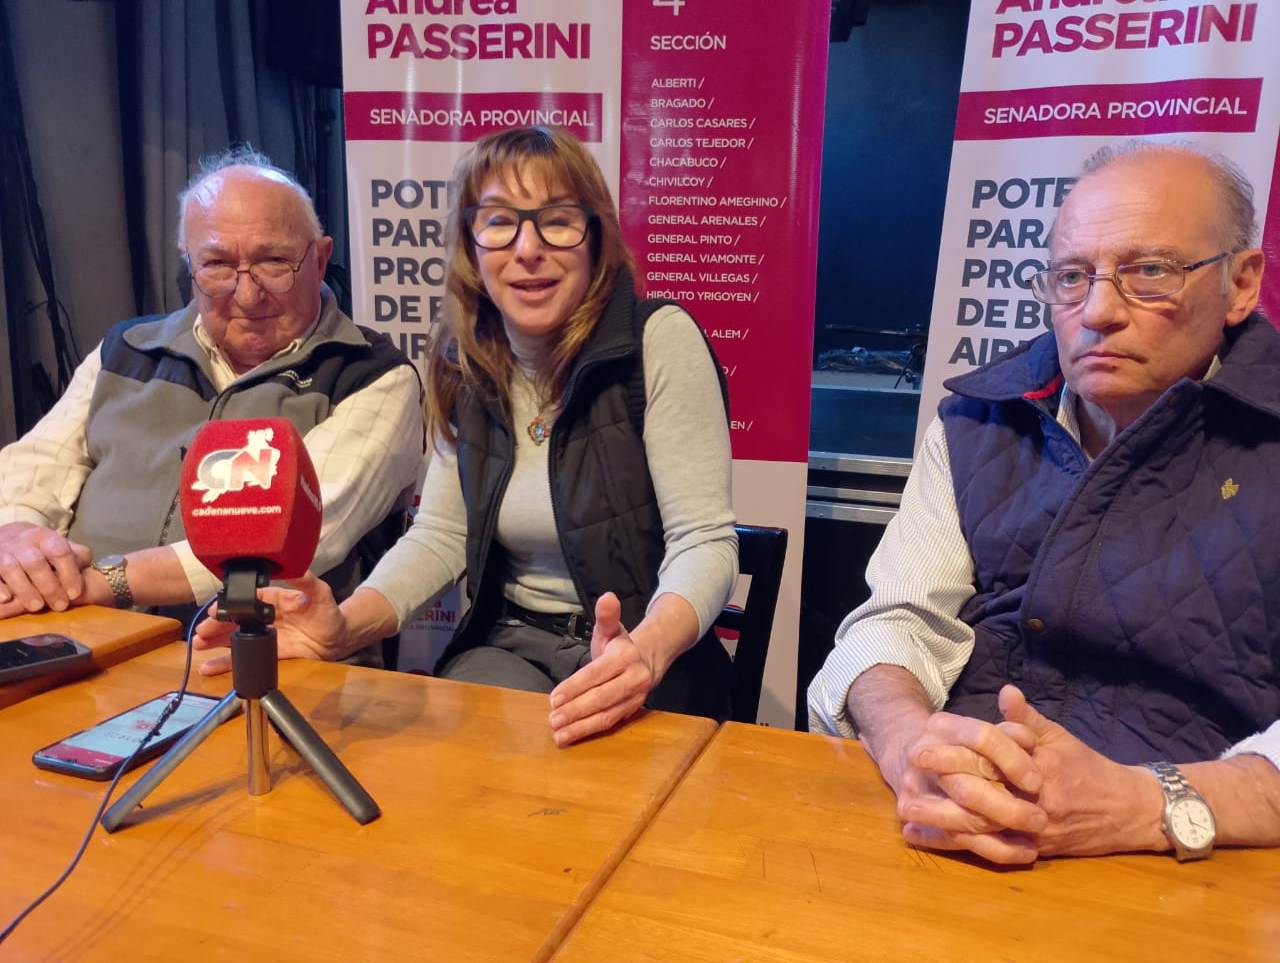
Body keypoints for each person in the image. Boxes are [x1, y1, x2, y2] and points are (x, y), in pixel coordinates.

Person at [808, 141, 1280, 864]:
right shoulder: (976, 421)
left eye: (1150, 271)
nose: (1098, 312)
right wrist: (908, 744)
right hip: (947, 826)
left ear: (1240, 284)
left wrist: (1147, 803)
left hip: (1192, 864)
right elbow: (896, 623)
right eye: (1072, 277)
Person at [195, 126, 738, 746]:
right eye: (499, 223)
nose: (527, 249)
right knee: (457, 779)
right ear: (470, 247)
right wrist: (343, 627)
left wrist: (647, 650)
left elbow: (704, 540)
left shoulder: (657, 340)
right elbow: (441, 535)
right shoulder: (465, 362)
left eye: (557, 221)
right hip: (509, 646)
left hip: (644, 654)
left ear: (595, 238)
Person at [0, 147, 422, 632]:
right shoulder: (125, 349)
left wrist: (99, 582)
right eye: (217, 265)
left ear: (321, 259)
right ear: (189, 264)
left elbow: (296, 537)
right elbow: (38, 465)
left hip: (251, 649)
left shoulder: (371, 375)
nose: (247, 294)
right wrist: (20, 542)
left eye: (273, 262)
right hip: (68, 624)